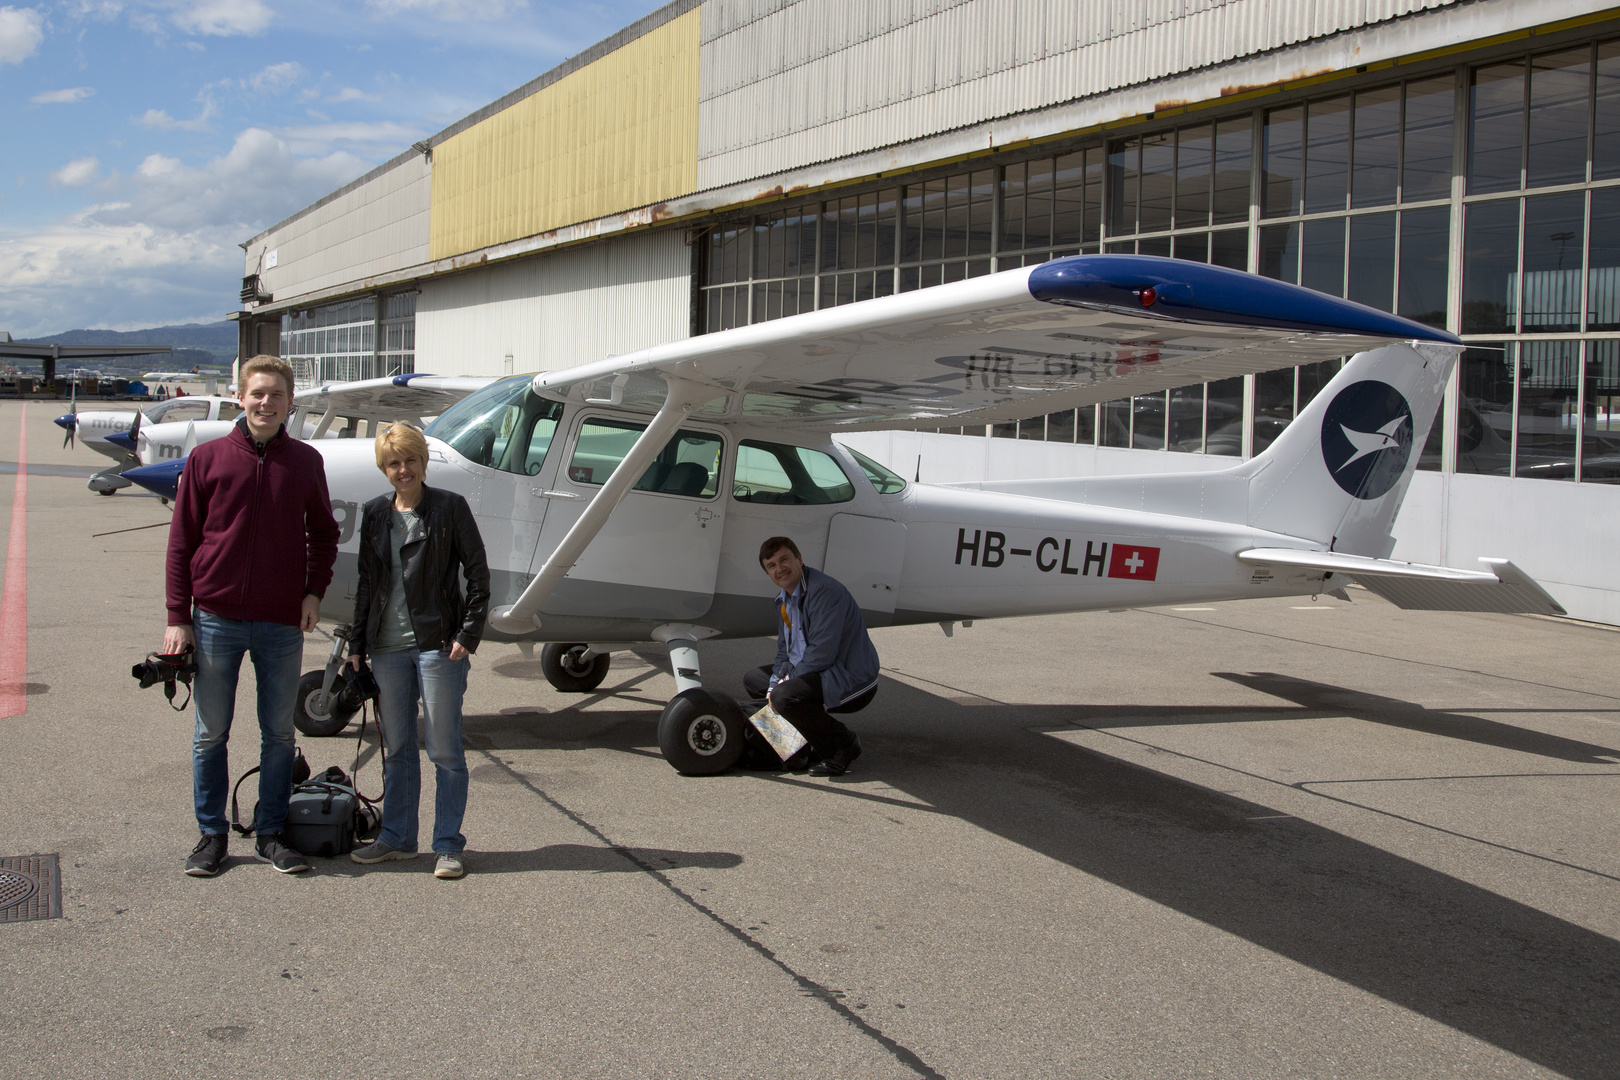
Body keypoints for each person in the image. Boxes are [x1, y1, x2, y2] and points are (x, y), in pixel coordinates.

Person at [167, 355, 339, 877]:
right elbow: (181, 542)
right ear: (241, 397)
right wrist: (178, 616)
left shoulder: (306, 462)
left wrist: (313, 594)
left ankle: (269, 833)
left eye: (277, 395)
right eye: (257, 394)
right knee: (210, 733)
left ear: (290, 403)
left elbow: (325, 536)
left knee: (279, 735)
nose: (266, 403)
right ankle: (211, 836)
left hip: (282, 623)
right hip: (215, 617)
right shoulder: (207, 460)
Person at [346, 423, 489, 880]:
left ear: (423, 463)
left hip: (438, 648)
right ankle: (397, 839)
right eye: (393, 463)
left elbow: (479, 575)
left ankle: (447, 845)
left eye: (409, 460)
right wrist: (356, 644)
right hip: (386, 650)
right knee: (398, 749)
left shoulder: (449, 508)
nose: (402, 469)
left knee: (444, 748)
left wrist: (467, 633)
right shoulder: (373, 514)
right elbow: (368, 582)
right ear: (383, 468)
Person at [743, 536, 879, 776]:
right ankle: (800, 747)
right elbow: (785, 651)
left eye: (784, 560)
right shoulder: (784, 601)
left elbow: (822, 653)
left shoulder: (823, 592)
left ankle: (843, 745)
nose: (779, 569)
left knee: (784, 697)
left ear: (799, 559)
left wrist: (785, 685)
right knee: (755, 680)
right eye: (771, 566)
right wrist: (775, 682)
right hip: (818, 671)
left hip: (850, 677)